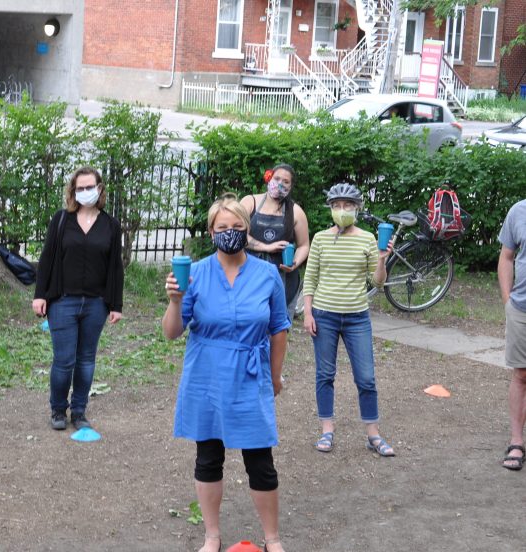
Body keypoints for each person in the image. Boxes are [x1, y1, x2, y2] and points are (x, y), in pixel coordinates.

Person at [161, 194, 289, 552]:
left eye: (237, 227)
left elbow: (279, 329)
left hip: (251, 376)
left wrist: (274, 376)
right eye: (222, 227)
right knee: (208, 458)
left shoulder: (267, 275)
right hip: (207, 377)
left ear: (247, 231)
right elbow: (171, 332)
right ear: (211, 231)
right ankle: (212, 535)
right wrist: (174, 301)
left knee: (260, 461)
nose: (229, 232)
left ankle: (273, 538)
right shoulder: (196, 273)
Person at [302, 182, 395, 457]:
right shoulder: (319, 238)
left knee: (366, 377)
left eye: (348, 206)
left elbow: (378, 283)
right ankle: (326, 430)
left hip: (357, 317)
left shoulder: (367, 238)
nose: (342, 210)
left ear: (357, 209)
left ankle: (373, 435)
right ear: (331, 208)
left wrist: (382, 259)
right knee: (325, 375)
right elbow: (311, 278)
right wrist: (307, 312)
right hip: (324, 315)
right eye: (337, 206)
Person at [32, 167, 123, 431]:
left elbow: (115, 267)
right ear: (73, 191)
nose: (85, 192)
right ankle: (58, 409)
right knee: (64, 360)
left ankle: (80, 411)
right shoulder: (61, 220)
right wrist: (40, 295)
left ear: (99, 188)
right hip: (63, 301)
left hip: (96, 304)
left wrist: (115, 305)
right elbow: (47, 259)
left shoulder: (110, 225)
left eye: (89, 187)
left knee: (86, 359)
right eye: (80, 188)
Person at [240, 163, 310, 313]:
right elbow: (237, 234)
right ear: (269, 178)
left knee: (279, 328)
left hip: (283, 279)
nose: (280, 184)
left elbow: (304, 245)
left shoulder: (296, 212)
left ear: (291, 186)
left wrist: (294, 263)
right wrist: (265, 247)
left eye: (286, 182)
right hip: (248, 275)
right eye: (277, 178)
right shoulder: (249, 202)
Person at [499, 198, 526, 470]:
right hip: (521, 308)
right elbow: (506, 257)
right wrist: (508, 300)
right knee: (521, 374)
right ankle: (517, 442)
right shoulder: (518, 211)